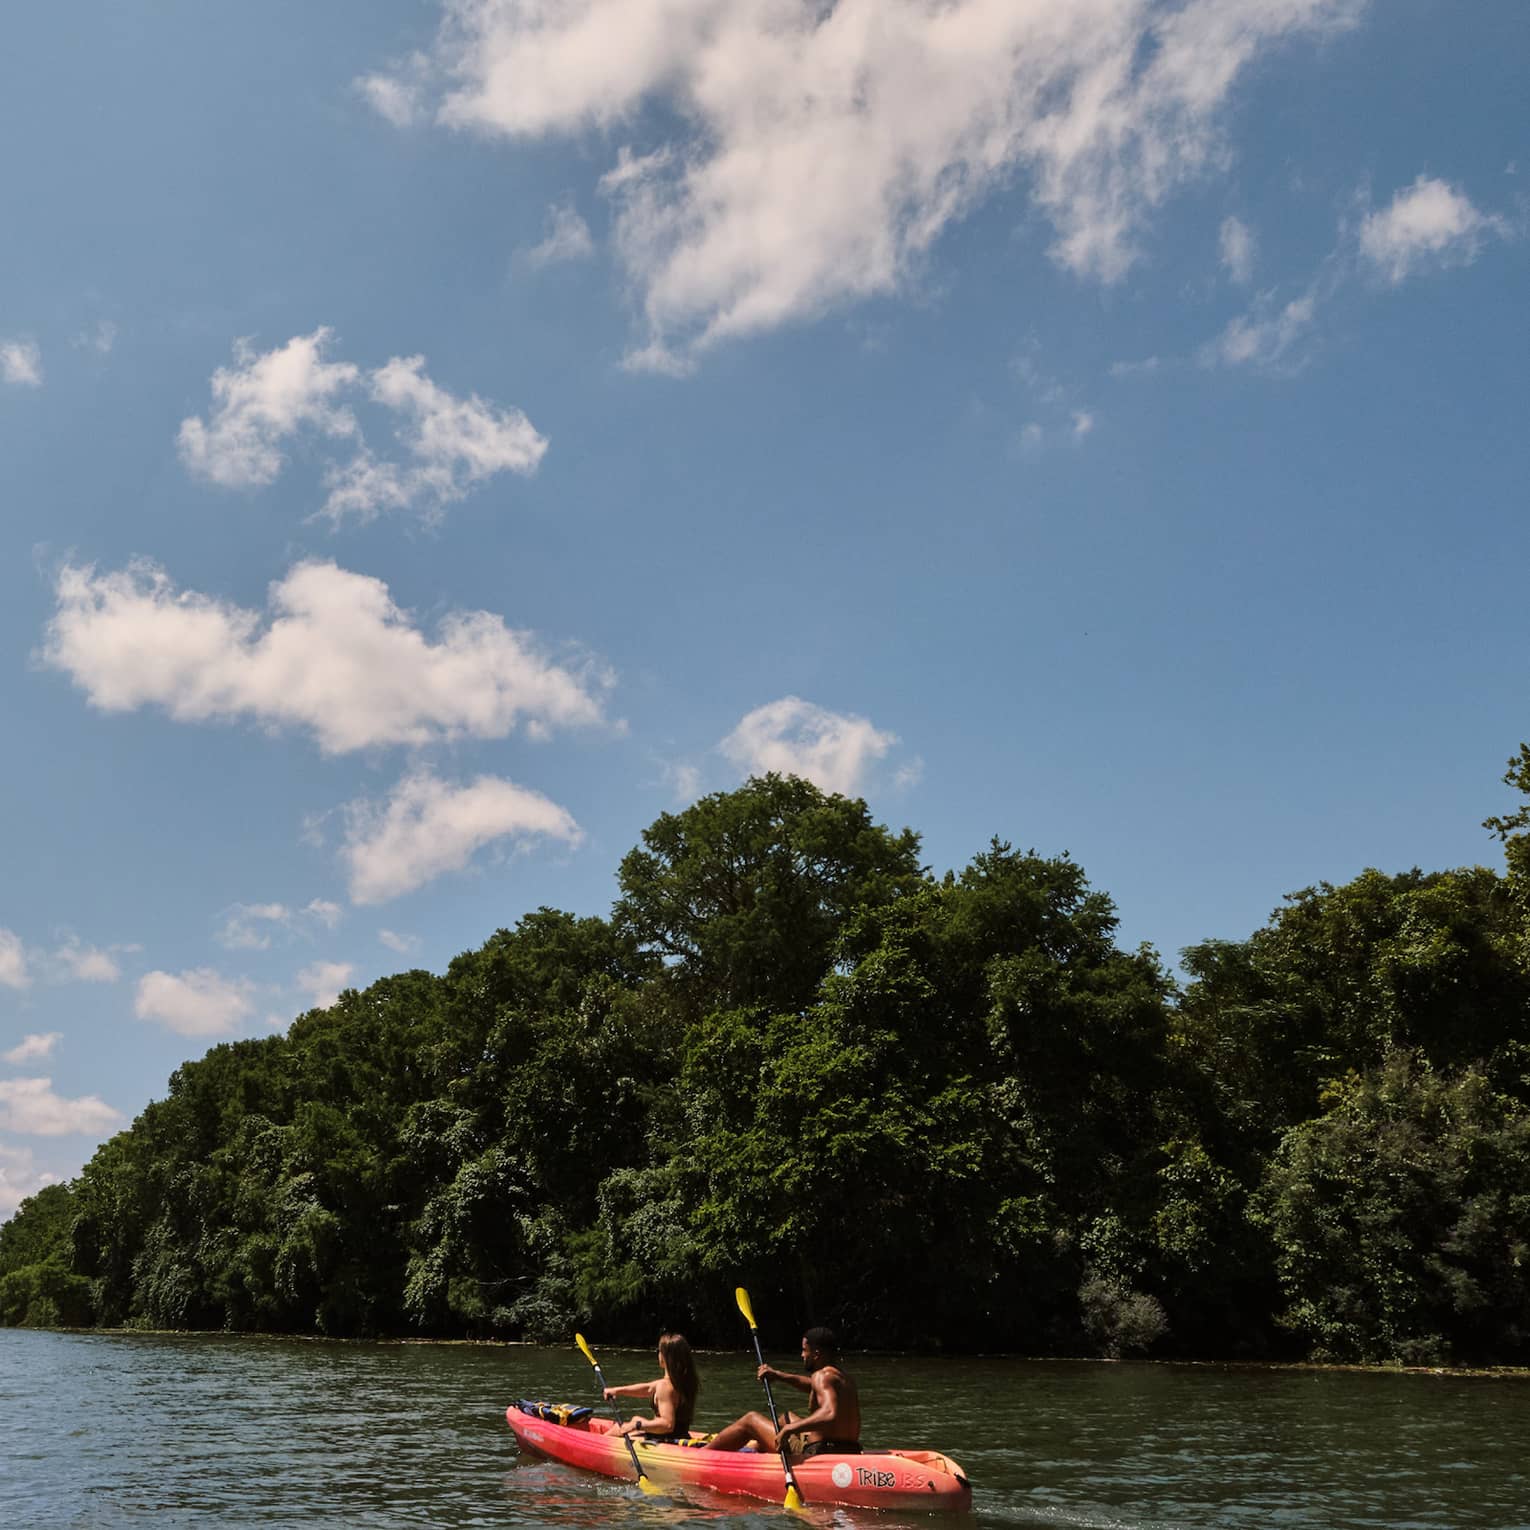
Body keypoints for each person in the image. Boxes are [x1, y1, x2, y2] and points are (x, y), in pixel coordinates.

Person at [706, 1326, 861, 1457]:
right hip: (850, 1450)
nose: (802, 1355)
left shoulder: (821, 1376)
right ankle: (759, 1451)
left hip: (819, 1452)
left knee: (750, 1420)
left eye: (804, 1350)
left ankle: (703, 1455)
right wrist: (779, 1375)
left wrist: (789, 1430)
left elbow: (829, 1413)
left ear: (816, 1354)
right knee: (786, 1417)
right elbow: (812, 1386)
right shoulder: (844, 1378)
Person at [602, 1332, 700, 1442]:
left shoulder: (665, 1386)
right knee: (633, 1420)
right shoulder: (683, 1382)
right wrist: (617, 1391)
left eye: (658, 1351)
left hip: (666, 1440)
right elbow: (647, 1388)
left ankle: (596, 1446)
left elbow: (667, 1425)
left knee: (617, 1429)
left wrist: (638, 1425)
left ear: (664, 1356)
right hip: (681, 1436)